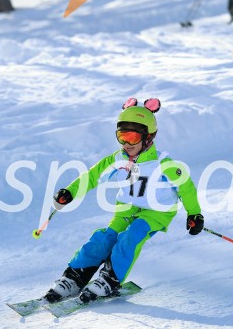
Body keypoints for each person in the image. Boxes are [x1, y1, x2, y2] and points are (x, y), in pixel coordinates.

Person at [44, 98, 204, 304]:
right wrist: (70, 192)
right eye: (122, 136)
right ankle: (75, 276)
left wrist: (194, 213)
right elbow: (92, 176)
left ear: (148, 137)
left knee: (132, 235)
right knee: (105, 238)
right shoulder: (117, 159)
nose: (126, 144)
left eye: (132, 137)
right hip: (126, 208)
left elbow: (186, 187)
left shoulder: (164, 163)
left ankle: (110, 279)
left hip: (156, 212)